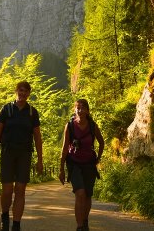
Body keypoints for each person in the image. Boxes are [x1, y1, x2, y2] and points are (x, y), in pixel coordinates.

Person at [0, 81, 44, 231]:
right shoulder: (6, 109)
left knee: (20, 189)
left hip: (24, 154)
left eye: (26, 91)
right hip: (7, 153)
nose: (23, 93)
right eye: (20, 90)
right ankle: (5, 216)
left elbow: (38, 138)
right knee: (7, 190)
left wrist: (40, 160)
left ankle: (16, 225)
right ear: (16, 91)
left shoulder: (32, 112)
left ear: (29, 94)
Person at [58, 99, 104, 231]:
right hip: (74, 163)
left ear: (88, 111)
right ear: (75, 110)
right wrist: (61, 169)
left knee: (88, 194)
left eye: (83, 108)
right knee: (80, 193)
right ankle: (79, 227)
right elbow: (65, 148)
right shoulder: (70, 126)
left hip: (89, 163)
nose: (80, 110)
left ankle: (85, 220)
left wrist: (98, 158)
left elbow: (101, 143)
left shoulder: (92, 126)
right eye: (78, 108)